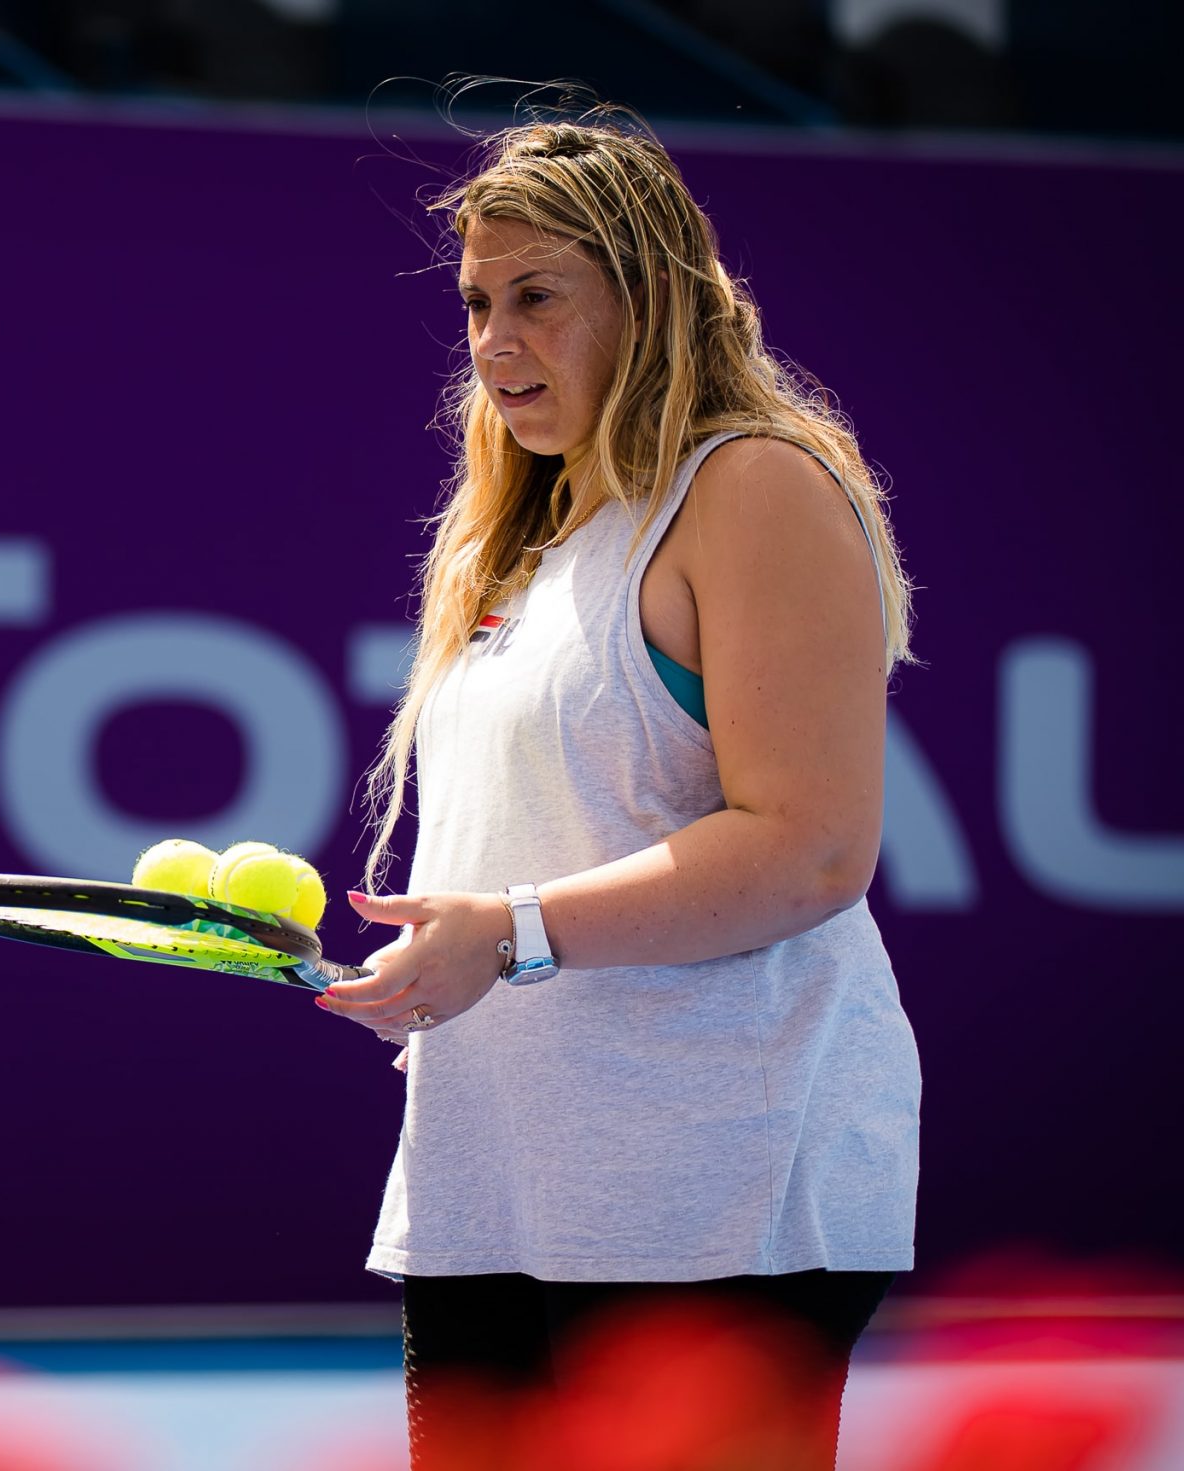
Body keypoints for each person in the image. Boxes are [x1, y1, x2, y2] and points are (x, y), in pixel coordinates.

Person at [318, 115, 920, 1468]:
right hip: (496, 1186)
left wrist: (512, 927)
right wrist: (442, 960)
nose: (492, 340)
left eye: (538, 295)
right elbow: (549, 851)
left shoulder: (754, 486)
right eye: (477, 300)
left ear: (648, 300)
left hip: (713, 1191)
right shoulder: (524, 546)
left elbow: (811, 849)